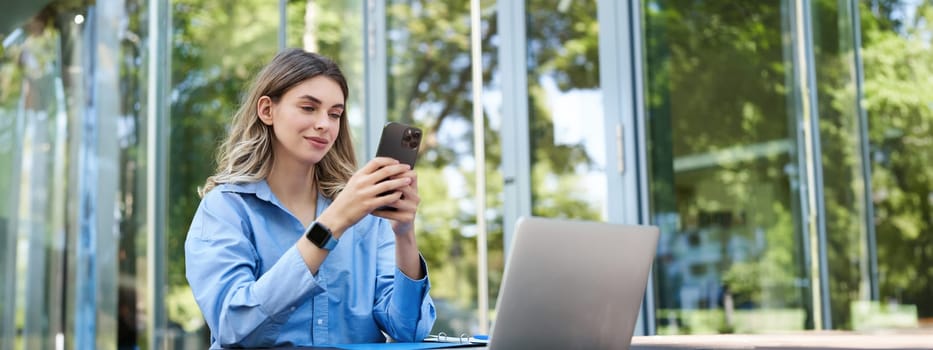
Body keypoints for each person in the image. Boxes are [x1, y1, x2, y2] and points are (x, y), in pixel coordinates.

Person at [185, 48, 436, 349]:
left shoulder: (367, 214)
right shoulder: (225, 208)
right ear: (267, 110)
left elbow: (409, 331)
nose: (325, 125)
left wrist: (404, 233)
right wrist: (332, 224)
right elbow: (233, 325)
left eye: (335, 114)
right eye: (308, 108)